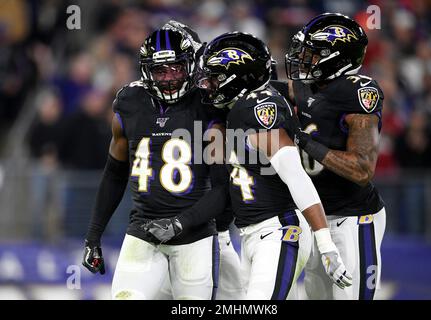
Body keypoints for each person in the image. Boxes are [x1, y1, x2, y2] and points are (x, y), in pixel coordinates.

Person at [153, 31, 352, 300]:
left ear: (238, 79)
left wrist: (325, 241)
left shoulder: (258, 109)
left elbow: (296, 176)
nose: (208, 85)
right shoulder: (238, 107)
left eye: (215, 78)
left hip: (280, 230)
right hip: (252, 234)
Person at [81, 22, 228, 300]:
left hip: (194, 236)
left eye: (176, 68)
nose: (170, 78)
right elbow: (114, 174)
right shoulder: (130, 102)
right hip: (143, 232)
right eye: (160, 70)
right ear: (147, 71)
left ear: (190, 66)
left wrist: (180, 223)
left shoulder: (207, 106)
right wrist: (93, 236)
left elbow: (223, 190)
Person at [283, 12, 386, 300]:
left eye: (313, 54)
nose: (304, 59)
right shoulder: (309, 87)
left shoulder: (359, 93)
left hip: (353, 219)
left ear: (337, 58)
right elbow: (278, 91)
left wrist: (305, 142)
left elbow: (363, 170)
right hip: (316, 220)